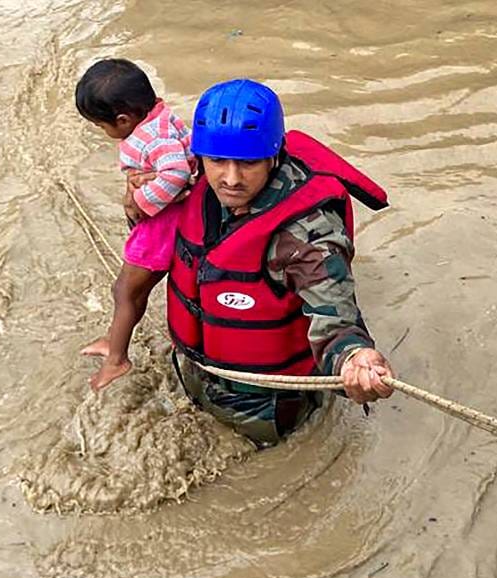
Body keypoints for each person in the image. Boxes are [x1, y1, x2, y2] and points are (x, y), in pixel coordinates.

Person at [165, 79, 396, 446]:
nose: (231, 179)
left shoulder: (308, 235)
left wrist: (354, 359)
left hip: (262, 408)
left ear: (273, 156)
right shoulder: (195, 181)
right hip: (194, 369)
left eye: (248, 163)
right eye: (218, 161)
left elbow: (336, 317)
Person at [74, 58, 196, 391]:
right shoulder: (160, 117)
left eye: (102, 126)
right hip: (168, 220)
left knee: (125, 290)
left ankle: (116, 360)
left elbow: (176, 173)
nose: (104, 133)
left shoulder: (153, 137)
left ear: (123, 120)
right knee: (131, 291)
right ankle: (115, 339)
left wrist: (139, 203)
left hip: (162, 227)